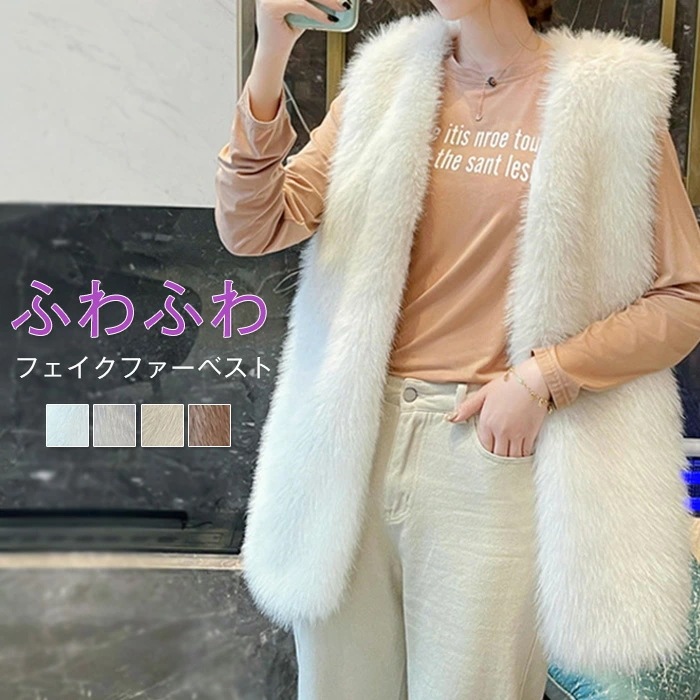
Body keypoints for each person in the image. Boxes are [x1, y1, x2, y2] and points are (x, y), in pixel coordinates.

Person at [214, 0, 700, 698]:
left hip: (491, 455)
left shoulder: (608, 98)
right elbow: (253, 225)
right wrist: (271, 53)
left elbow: (684, 296)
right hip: (352, 443)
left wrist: (544, 379)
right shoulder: (387, 81)